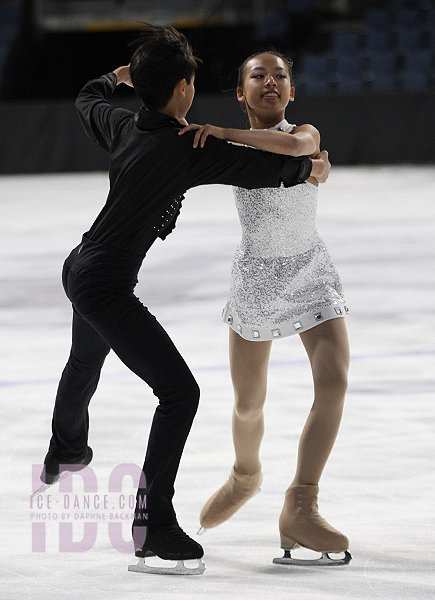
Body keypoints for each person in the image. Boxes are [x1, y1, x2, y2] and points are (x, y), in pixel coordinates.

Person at [35, 27, 330, 576]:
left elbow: (87, 98)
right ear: (183, 90)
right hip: (103, 282)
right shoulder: (186, 148)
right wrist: (310, 168)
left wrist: (115, 78)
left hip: (81, 265)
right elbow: (265, 168)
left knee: (85, 361)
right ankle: (151, 527)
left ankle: (67, 449)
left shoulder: (124, 123)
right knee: (179, 393)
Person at [180, 51, 351, 566]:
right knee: (249, 403)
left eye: (280, 76)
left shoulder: (305, 133)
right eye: (258, 75)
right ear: (241, 92)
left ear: (292, 91)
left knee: (335, 380)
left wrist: (227, 133)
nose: (270, 82)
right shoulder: (230, 151)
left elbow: (295, 147)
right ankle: (245, 474)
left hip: (310, 270)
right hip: (257, 279)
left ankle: (301, 501)